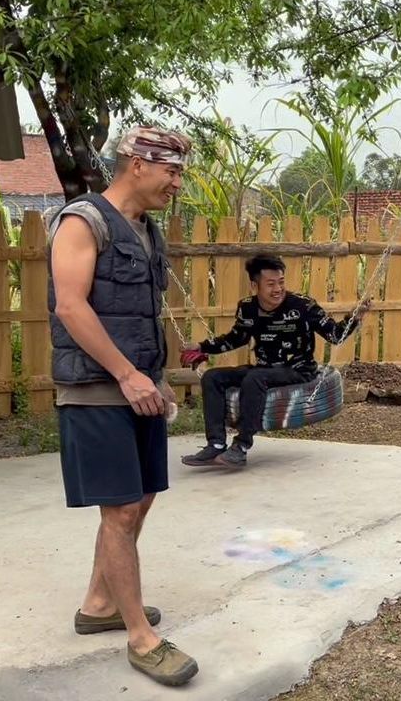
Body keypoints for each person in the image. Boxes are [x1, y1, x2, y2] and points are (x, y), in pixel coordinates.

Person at [48, 126, 198, 686]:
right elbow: (70, 306)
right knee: (118, 509)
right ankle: (140, 637)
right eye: (172, 171)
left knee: (141, 498)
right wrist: (127, 374)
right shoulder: (81, 221)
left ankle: (98, 604)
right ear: (136, 164)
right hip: (96, 387)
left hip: (139, 383)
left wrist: (151, 376)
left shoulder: (145, 230)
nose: (176, 183)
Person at [179, 253, 370, 467]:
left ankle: (241, 446)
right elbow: (236, 338)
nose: (278, 289)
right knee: (213, 377)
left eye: (281, 282)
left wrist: (354, 318)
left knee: (254, 378)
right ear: (254, 286)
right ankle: (215, 444)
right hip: (264, 368)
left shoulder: (302, 306)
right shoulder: (248, 308)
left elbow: (335, 335)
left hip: (298, 370)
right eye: (270, 284)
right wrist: (202, 346)